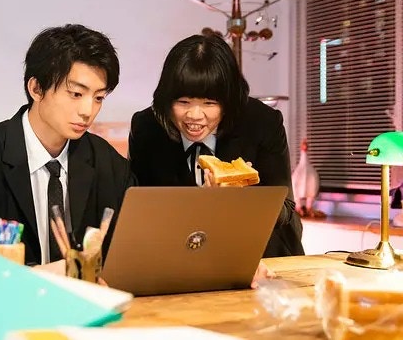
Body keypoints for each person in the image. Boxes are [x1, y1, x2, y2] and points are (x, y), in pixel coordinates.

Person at [0, 24, 135, 268]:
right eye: (76, 94)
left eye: (98, 98)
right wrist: (43, 274)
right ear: (36, 88)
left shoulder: (108, 163)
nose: (88, 111)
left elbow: (137, 247)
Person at [129, 34, 304, 259]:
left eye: (209, 103)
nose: (194, 115)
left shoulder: (262, 122)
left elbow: (286, 209)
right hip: (180, 254)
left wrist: (241, 200)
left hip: (261, 252)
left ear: (229, 102)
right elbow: (140, 209)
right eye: (183, 102)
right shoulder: (147, 127)